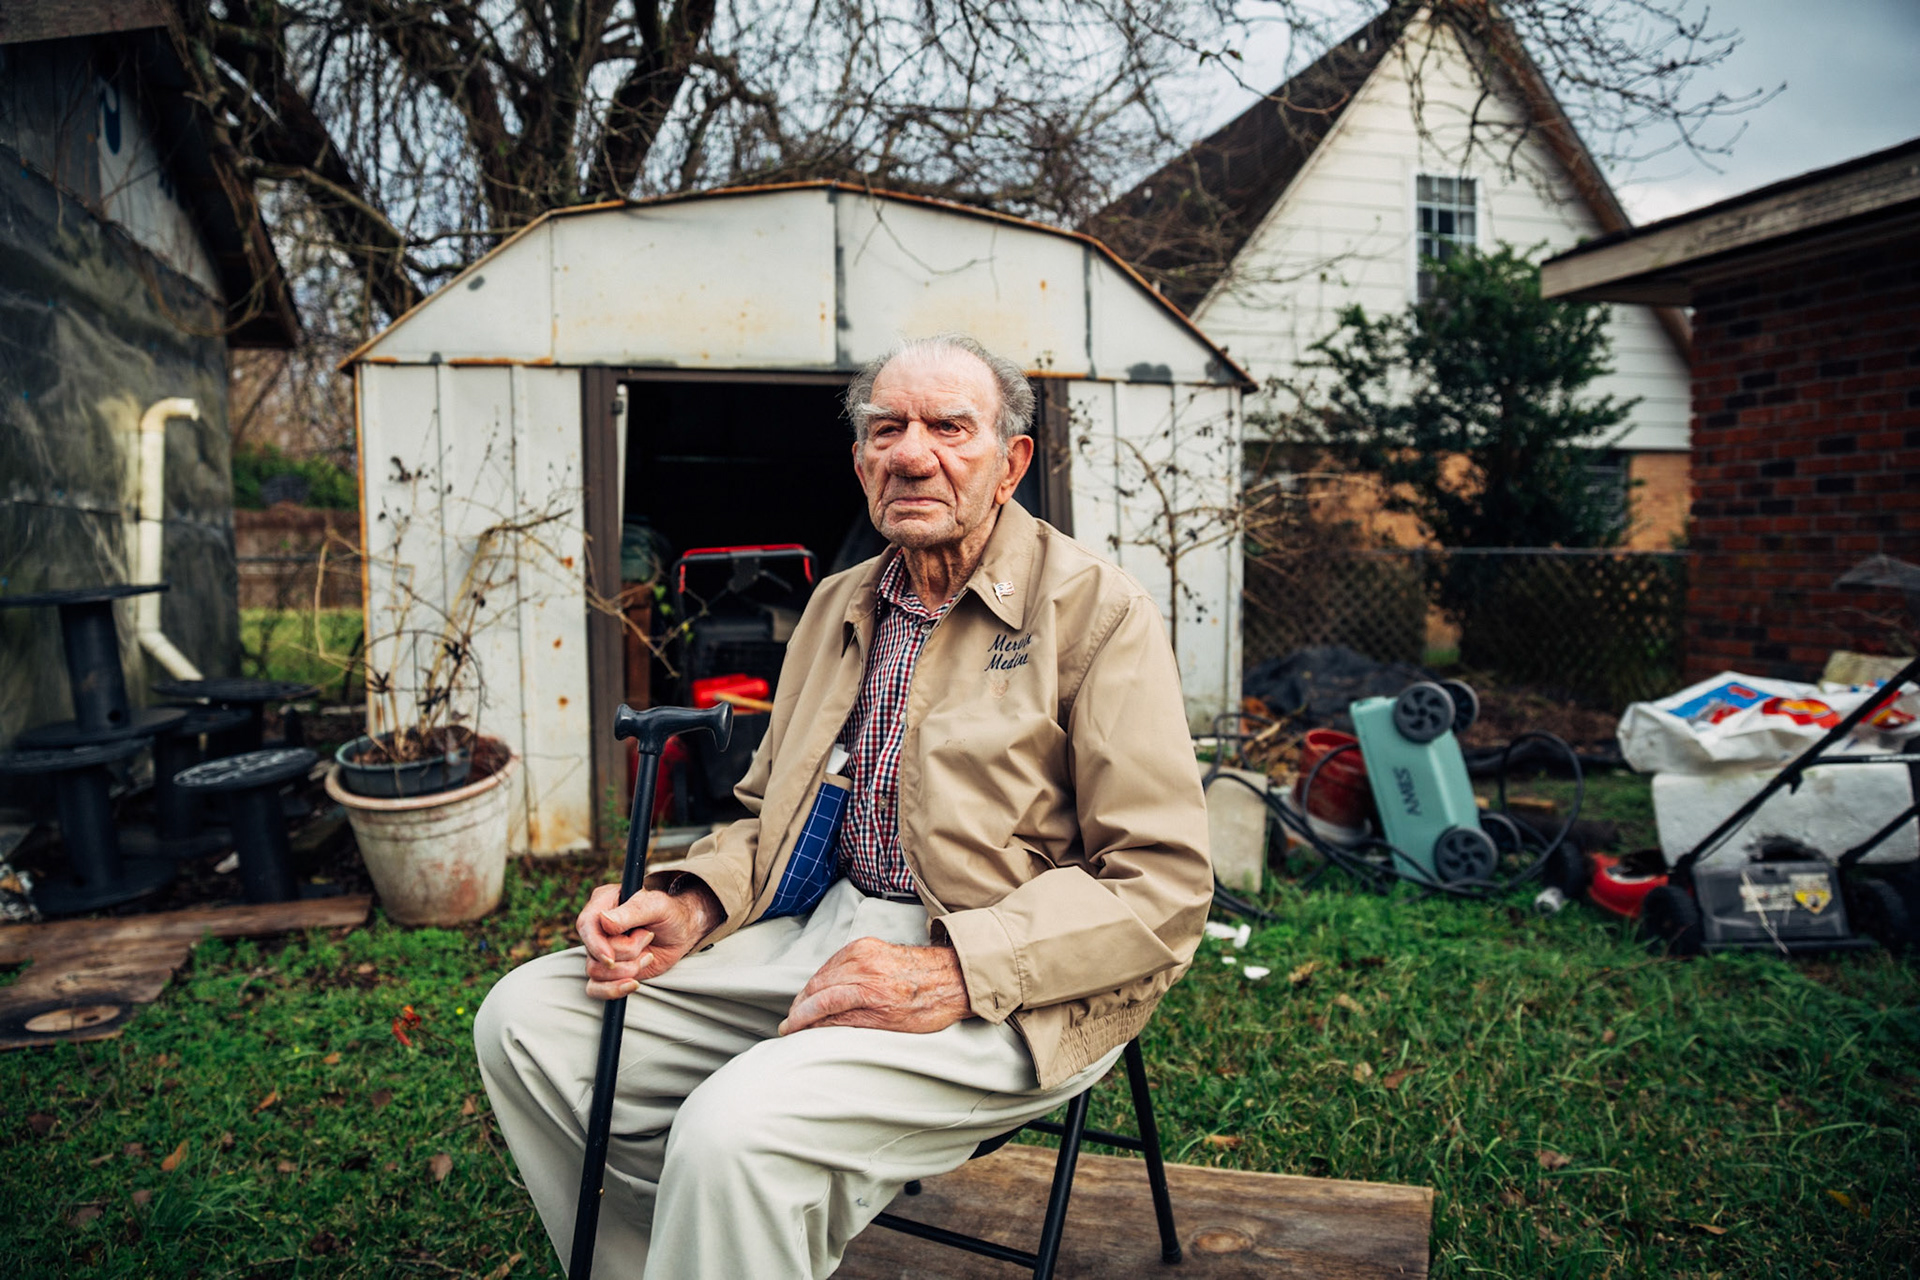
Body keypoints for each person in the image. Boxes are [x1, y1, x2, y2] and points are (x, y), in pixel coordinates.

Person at [475, 334, 1211, 1278]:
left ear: (1010, 462)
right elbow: (765, 814)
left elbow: (1165, 885)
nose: (913, 453)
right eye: (886, 428)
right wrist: (693, 901)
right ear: (861, 458)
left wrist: (955, 968)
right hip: (821, 929)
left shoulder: (1098, 612)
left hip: (1005, 973)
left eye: (950, 427)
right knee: (526, 1021)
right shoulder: (835, 605)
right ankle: (668, 1258)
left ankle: (729, 1219)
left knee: (735, 1131)